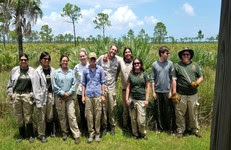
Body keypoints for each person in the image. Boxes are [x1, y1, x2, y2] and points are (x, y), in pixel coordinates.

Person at [172, 47, 203, 138]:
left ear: (190, 56)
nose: (186, 56)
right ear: (181, 56)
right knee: (180, 113)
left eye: (187, 54)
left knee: (193, 112)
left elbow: (201, 77)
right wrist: (174, 93)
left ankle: (194, 129)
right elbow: (174, 80)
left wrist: (197, 83)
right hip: (181, 93)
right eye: (184, 54)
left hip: (193, 94)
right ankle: (180, 130)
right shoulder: (177, 66)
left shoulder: (195, 65)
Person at [7, 53, 35, 142]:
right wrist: (10, 93)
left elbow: (36, 84)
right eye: (22, 59)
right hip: (16, 95)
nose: (23, 61)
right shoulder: (14, 70)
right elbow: (10, 83)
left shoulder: (32, 71)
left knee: (28, 115)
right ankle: (21, 135)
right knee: (19, 116)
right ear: (19, 60)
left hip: (27, 95)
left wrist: (32, 93)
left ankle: (30, 134)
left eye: (25, 60)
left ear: (27, 60)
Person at [53, 54, 81, 144]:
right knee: (62, 116)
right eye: (63, 60)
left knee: (72, 115)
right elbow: (54, 85)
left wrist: (69, 92)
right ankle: (64, 132)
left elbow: (75, 83)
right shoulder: (56, 73)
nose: (65, 62)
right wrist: (62, 93)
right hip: (60, 98)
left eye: (66, 61)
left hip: (69, 97)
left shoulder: (71, 72)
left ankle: (76, 135)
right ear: (61, 61)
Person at [81, 52, 105, 144]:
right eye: (91, 59)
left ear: (96, 60)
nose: (92, 60)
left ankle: (97, 134)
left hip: (98, 95)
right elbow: (83, 84)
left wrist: (103, 95)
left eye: (94, 59)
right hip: (88, 96)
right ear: (88, 59)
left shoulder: (100, 69)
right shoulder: (85, 70)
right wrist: (83, 96)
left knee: (98, 115)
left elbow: (103, 83)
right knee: (89, 116)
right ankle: (91, 134)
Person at [97, 44, 120, 136]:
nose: (113, 51)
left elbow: (118, 71)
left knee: (111, 108)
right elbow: (96, 68)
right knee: (103, 108)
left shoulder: (117, 60)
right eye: (112, 49)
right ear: (109, 49)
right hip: (102, 87)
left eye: (115, 50)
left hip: (111, 87)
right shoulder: (102, 58)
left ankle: (112, 127)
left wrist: (115, 78)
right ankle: (104, 127)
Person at [151, 46, 175, 134]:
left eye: (168, 53)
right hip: (157, 91)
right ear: (161, 53)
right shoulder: (154, 64)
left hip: (167, 91)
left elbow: (172, 78)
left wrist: (170, 91)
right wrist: (153, 92)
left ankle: (170, 129)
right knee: (158, 111)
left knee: (168, 111)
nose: (168, 54)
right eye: (166, 53)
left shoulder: (170, 64)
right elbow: (152, 79)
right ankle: (159, 128)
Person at [32, 52, 55, 143]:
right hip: (41, 96)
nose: (46, 60)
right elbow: (35, 87)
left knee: (49, 115)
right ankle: (41, 135)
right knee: (41, 116)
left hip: (50, 95)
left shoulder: (52, 70)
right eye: (44, 59)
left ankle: (49, 131)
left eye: (48, 59)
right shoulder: (37, 72)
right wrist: (37, 101)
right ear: (41, 60)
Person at [126, 58, 150, 139]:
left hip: (141, 99)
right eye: (135, 63)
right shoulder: (131, 74)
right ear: (133, 65)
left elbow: (147, 87)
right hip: (132, 99)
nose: (136, 64)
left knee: (141, 119)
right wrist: (127, 99)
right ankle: (135, 134)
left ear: (141, 64)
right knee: (133, 118)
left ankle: (143, 133)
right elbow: (128, 87)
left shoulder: (144, 74)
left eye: (138, 63)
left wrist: (147, 100)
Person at [73, 48, 88, 135]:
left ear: (86, 56)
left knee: (89, 112)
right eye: (81, 56)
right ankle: (84, 129)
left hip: (89, 93)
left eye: (83, 56)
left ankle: (90, 128)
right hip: (79, 92)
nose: (82, 57)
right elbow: (73, 76)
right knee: (82, 111)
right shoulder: (77, 67)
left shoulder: (90, 65)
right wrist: (76, 83)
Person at [119, 47, 133, 129]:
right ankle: (125, 125)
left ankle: (132, 125)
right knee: (125, 109)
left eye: (129, 52)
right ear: (124, 54)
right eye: (126, 52)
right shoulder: (121, 62)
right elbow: (113, 55)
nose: (127, 53)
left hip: (133, 90)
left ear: (131, 53)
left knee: (132, 108)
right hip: (124, 90)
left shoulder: (135, 63)